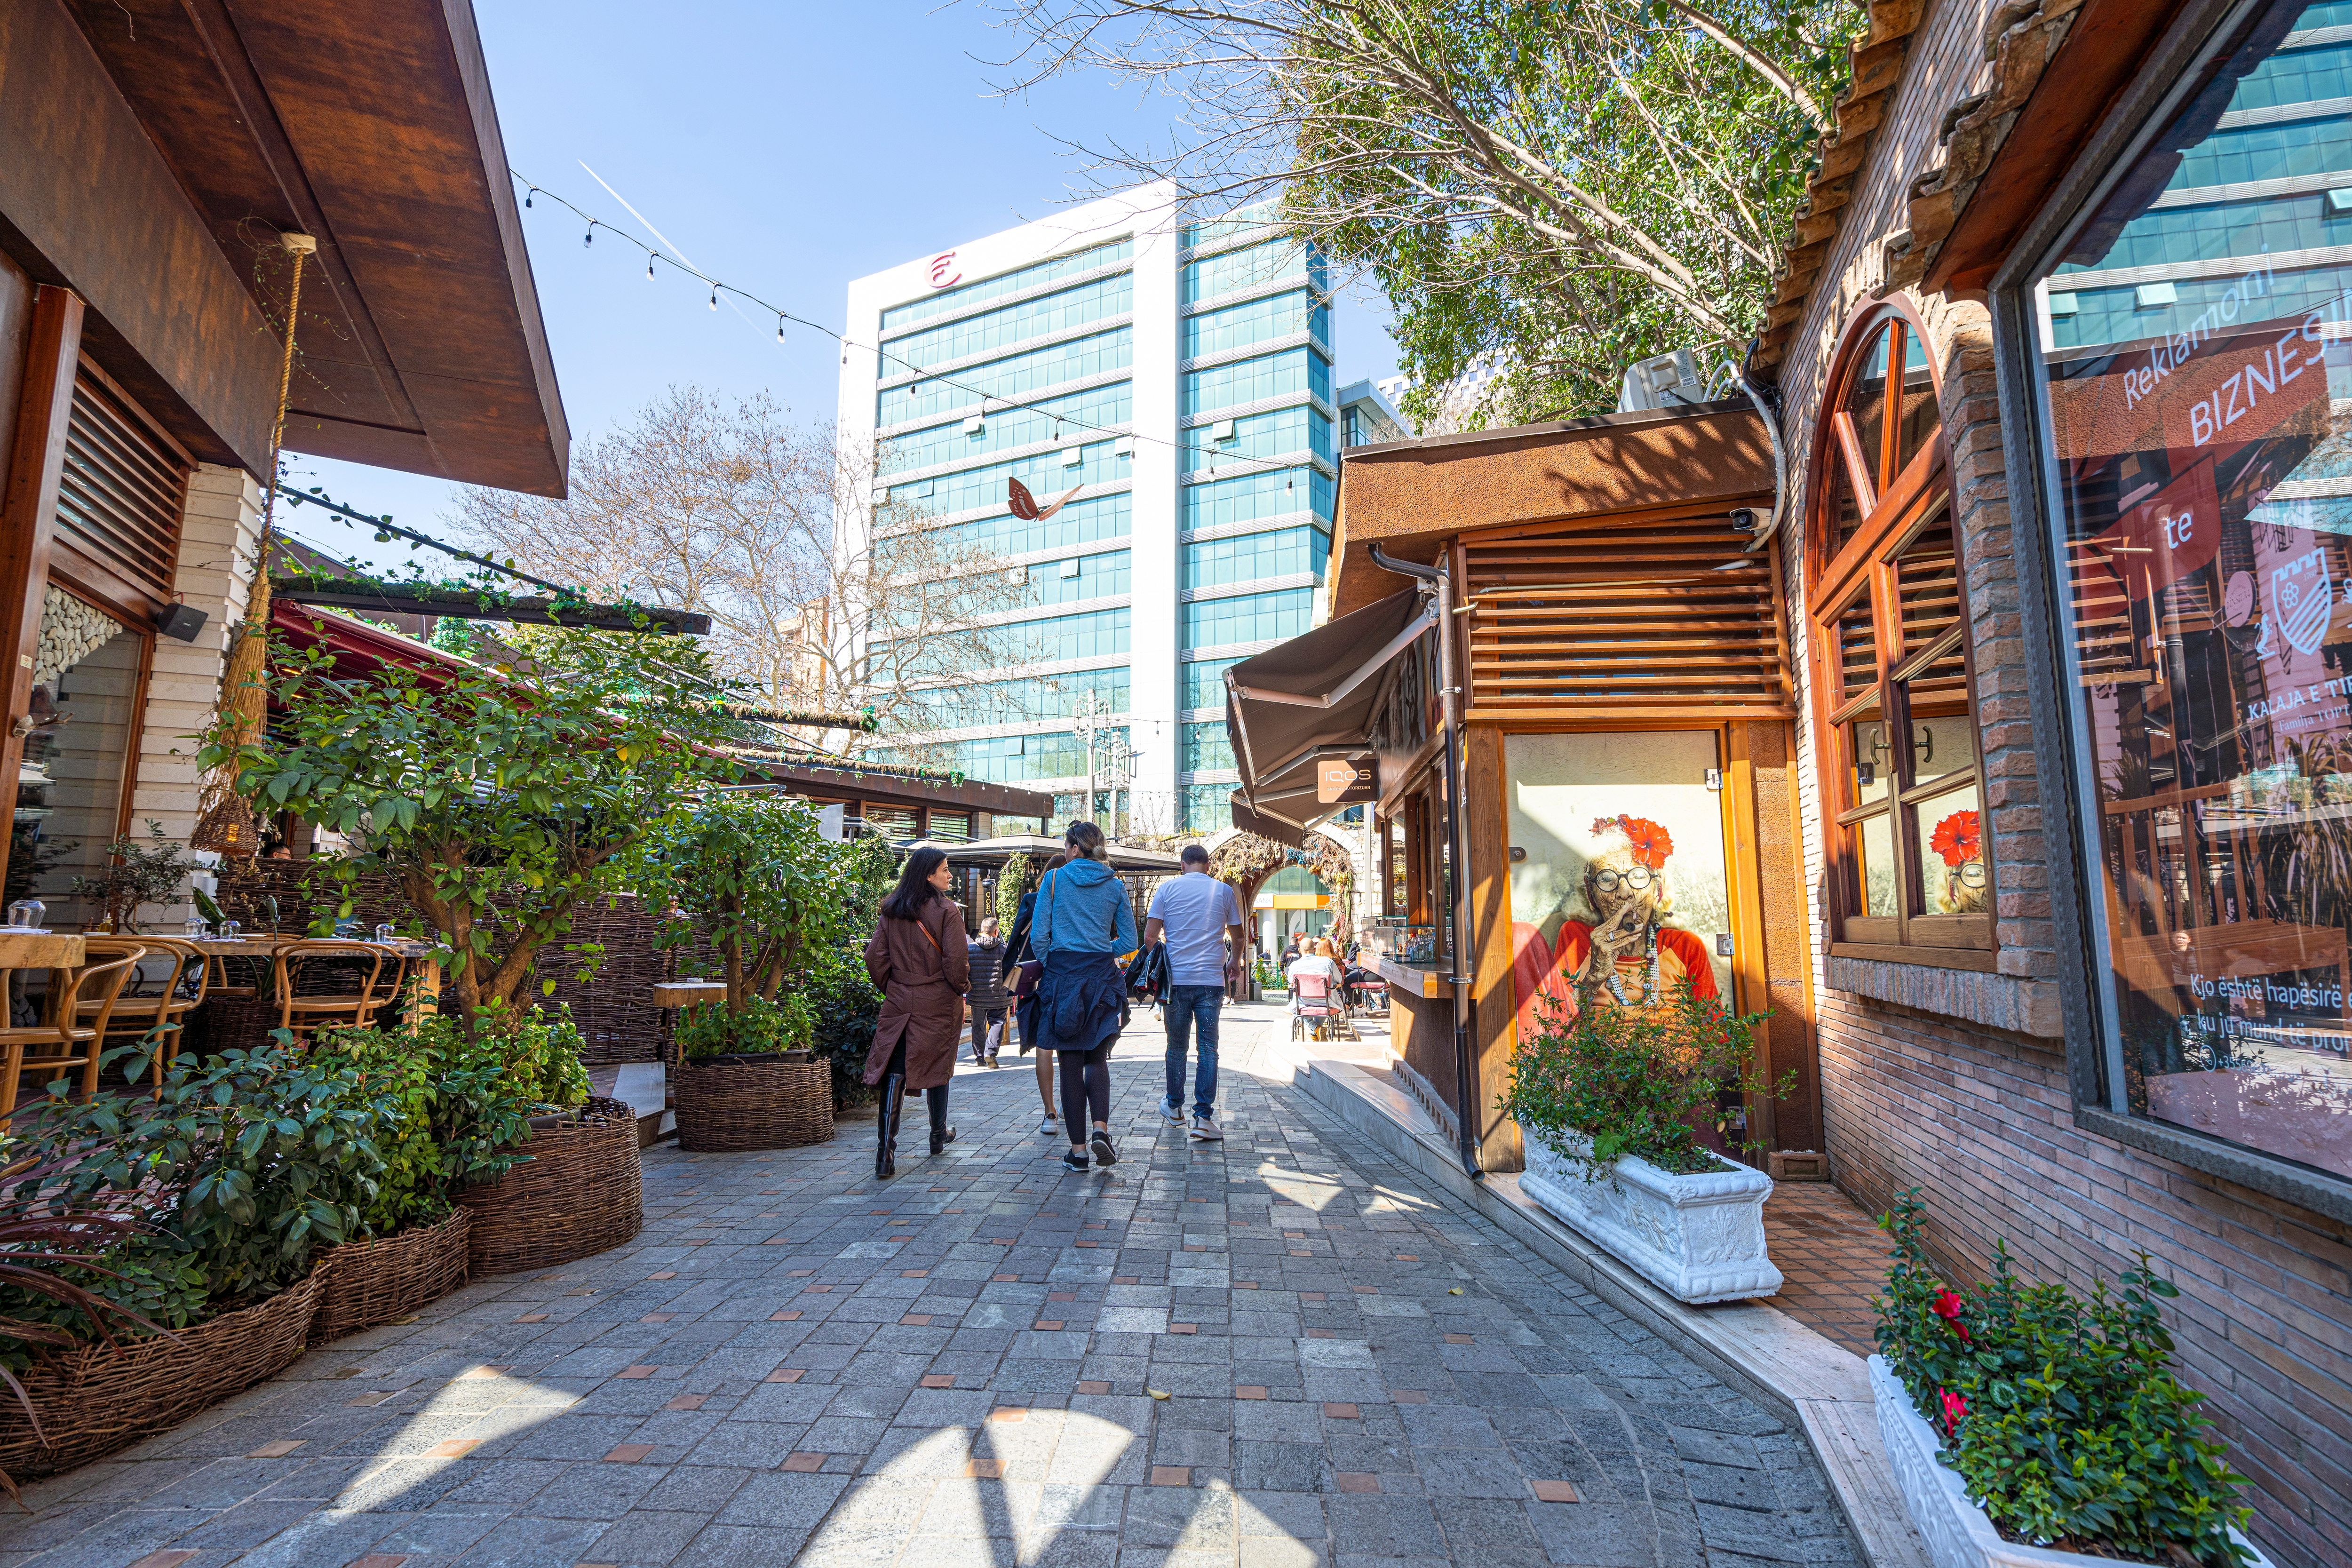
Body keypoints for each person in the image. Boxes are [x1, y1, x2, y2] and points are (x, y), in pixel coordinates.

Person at [1029, 820, 1137, 1173]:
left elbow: (1039, 938)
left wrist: (1056, 963)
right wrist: (1101, 951)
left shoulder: (1055, 879)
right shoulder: (1115, 885)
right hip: (1103, 979)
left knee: (1070, 1064)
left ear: (1075, 848)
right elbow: (1129, 942)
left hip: (1063, 977)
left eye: (1065, 845)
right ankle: (1100, 1129)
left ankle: (1078, 1152)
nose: (1064, 851)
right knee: (1097, 1059)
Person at [861, 845, 968, 1180]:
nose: (950, 875)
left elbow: (874, 958)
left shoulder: (891, 910)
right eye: (945, 869)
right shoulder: (947, 911)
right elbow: (955, 963)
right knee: (938, 1062)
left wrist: (895, 986)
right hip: (936, 1000)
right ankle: (938, 1135)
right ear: (928, 874)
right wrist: (959, 987)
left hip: (899, 1000)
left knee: (896, 1069)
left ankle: (885, 1152)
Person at [1144, 843, 1243, 1141]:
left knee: (1176, 1048)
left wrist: (1161, 961)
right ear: (1208, 866)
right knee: (1208, 1049)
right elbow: (1237, 936)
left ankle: (1174, 1108)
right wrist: (1233, 963)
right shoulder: (1223, 891)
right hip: (1211, 982)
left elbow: (1150, 935)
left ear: (1183, 865)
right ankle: (1203, 1117)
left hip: (1176, 982)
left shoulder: (1166, 890)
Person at [1007, 852, 1067, 1134]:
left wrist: (1008, 975)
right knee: (1072, 1045)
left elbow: (1017, 936)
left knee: (1044, 1046)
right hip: (1071, 977)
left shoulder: (1033, 900)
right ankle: (1070, 1104)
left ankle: (1050, 1114)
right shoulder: (1075, 899)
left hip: (1038, 979)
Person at [967, 915, 1009, 1067]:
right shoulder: (1004, 950)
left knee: (978, 1025)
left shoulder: (970, 949)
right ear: (996, 932)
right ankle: (990, 1053)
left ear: (982, 931)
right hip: (999, 995)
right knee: (997, 1023)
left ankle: (979, 1057)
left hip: (977, 995)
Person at [1285, 936, 1344, 1014]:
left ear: (1299, 950)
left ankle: (1314, 1025)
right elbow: (1339, 980)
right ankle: (1316, 1026)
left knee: (1293, 1007)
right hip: (1328, 1002)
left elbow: (1291, 981)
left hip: (1304, 1002)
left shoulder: (1294, 966)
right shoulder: (1328, 962)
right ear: (1314, 949)